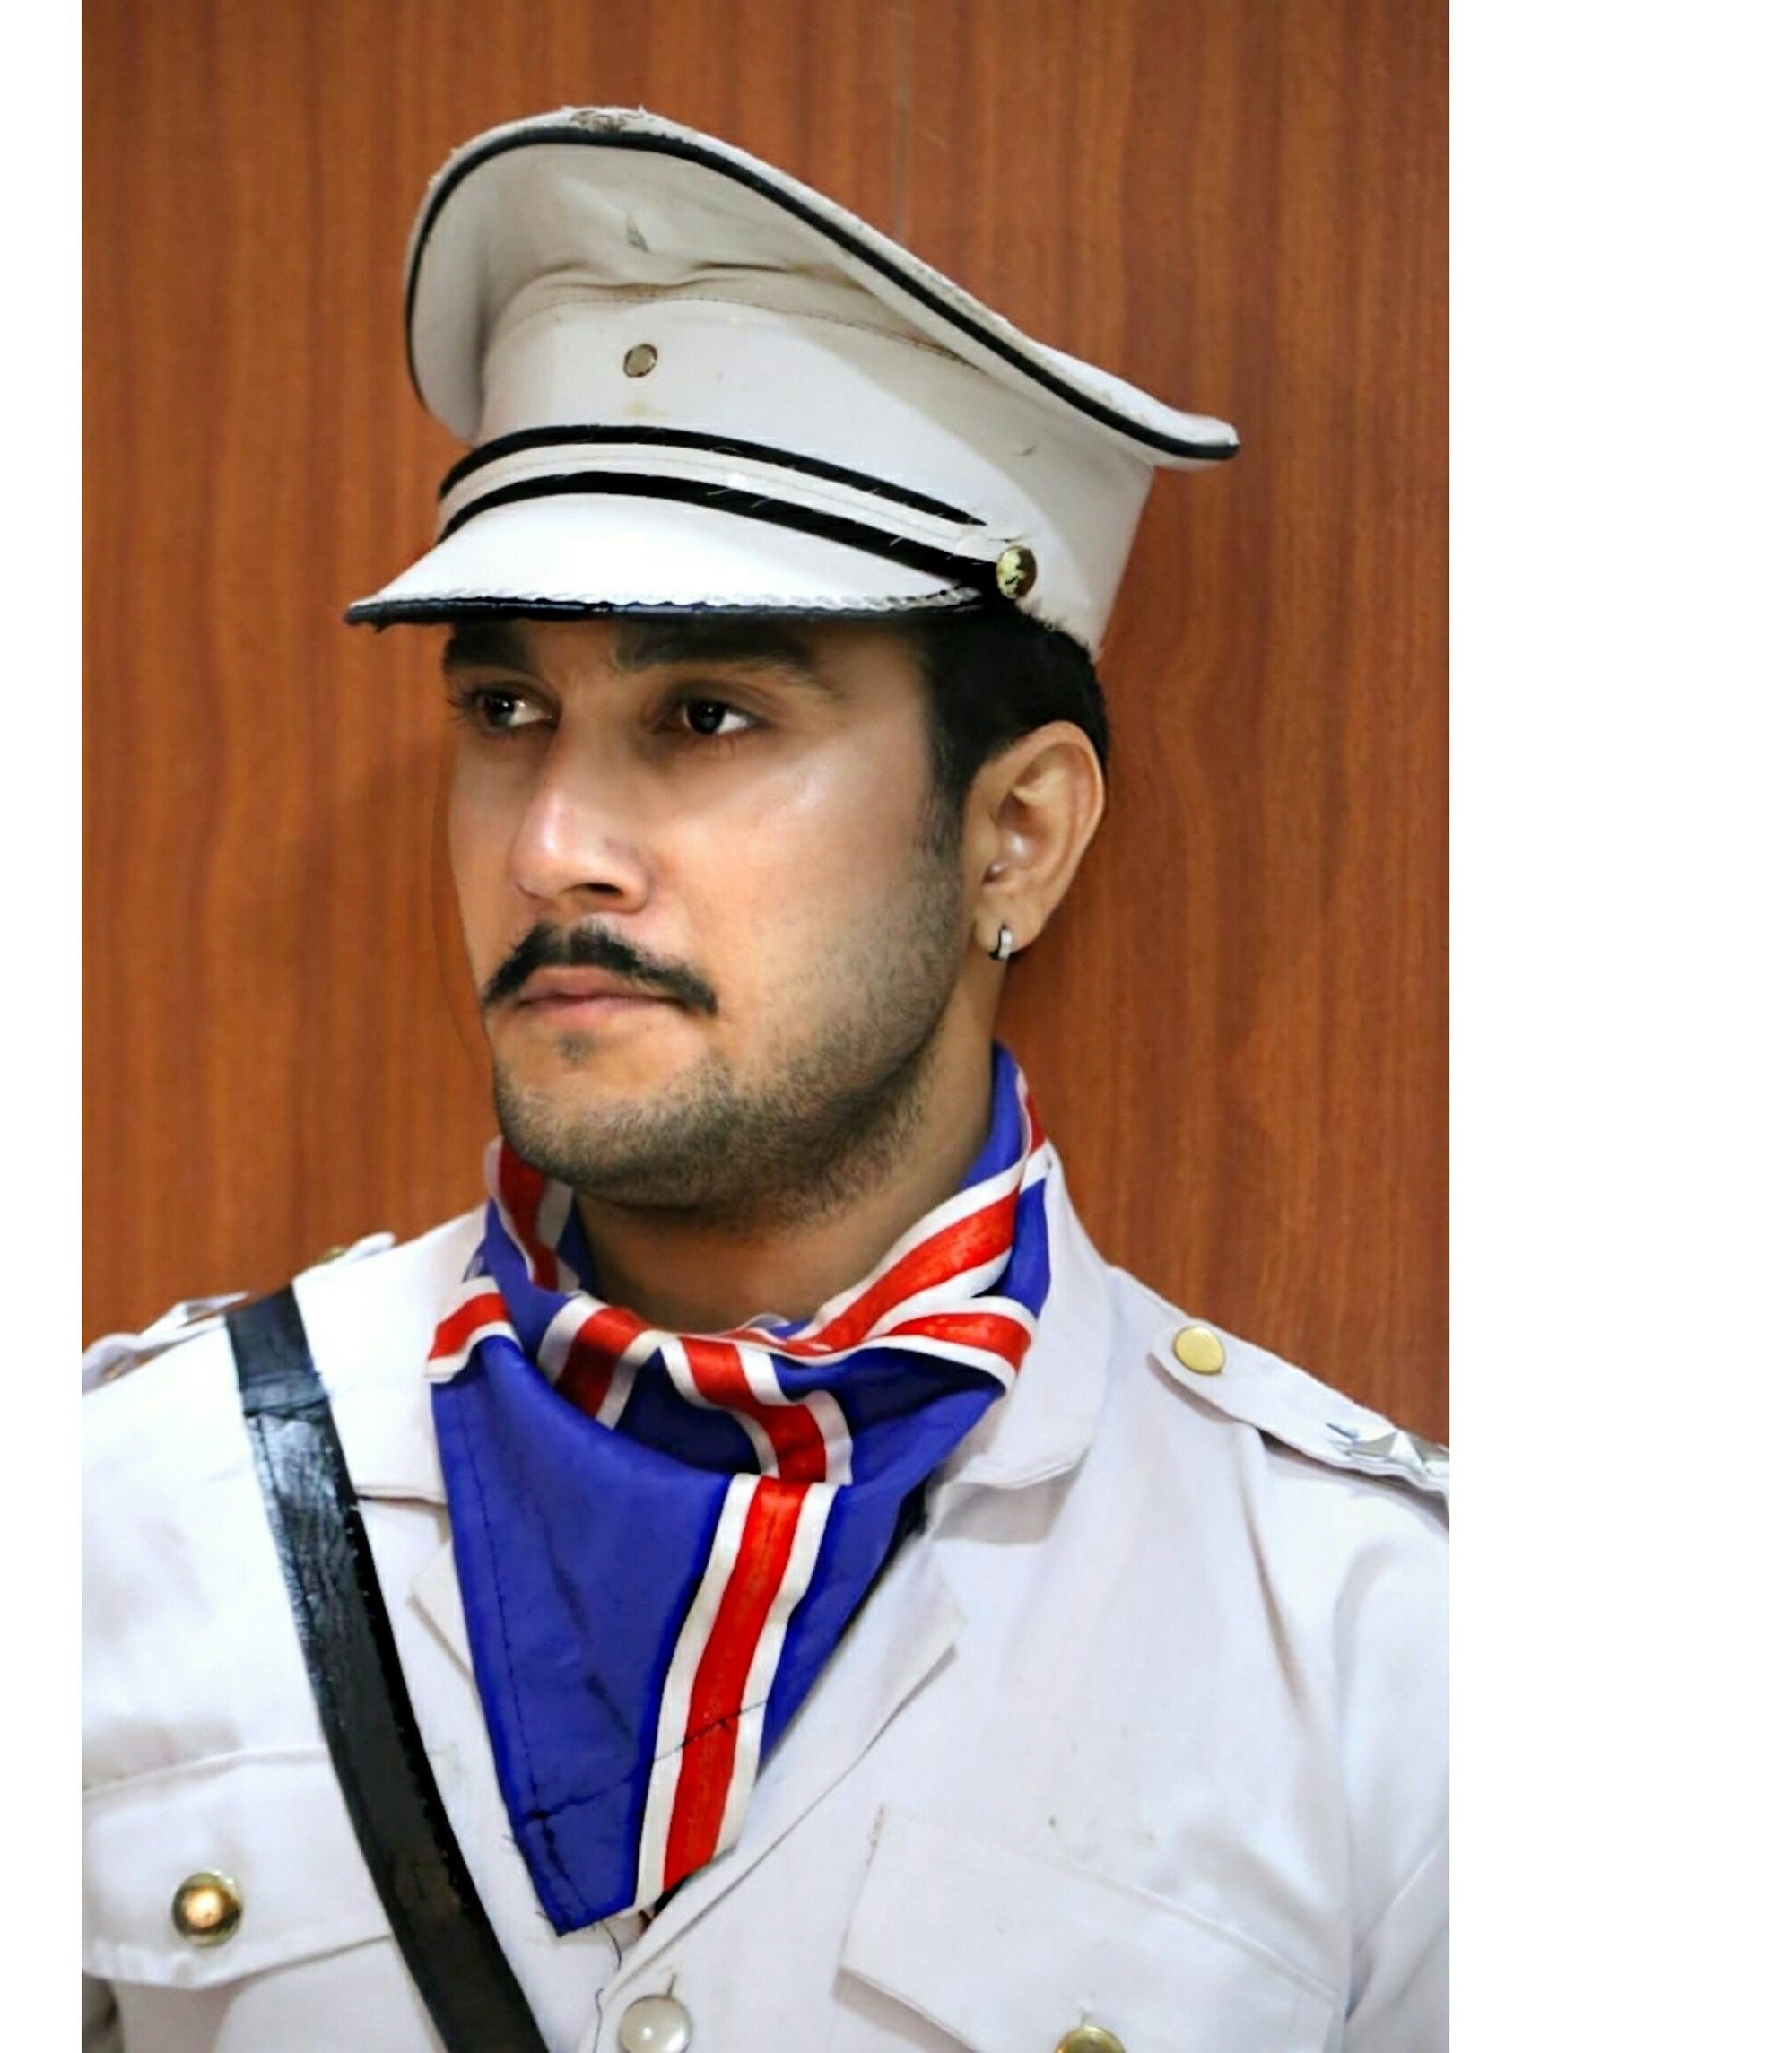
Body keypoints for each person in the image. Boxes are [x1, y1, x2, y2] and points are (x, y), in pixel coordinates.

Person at [83, 107, 1447, 2053]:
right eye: (504, 707)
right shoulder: (132, 1513)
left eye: (706, 713)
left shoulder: (1369, 1651)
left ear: (1014, 837)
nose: (550, 844)